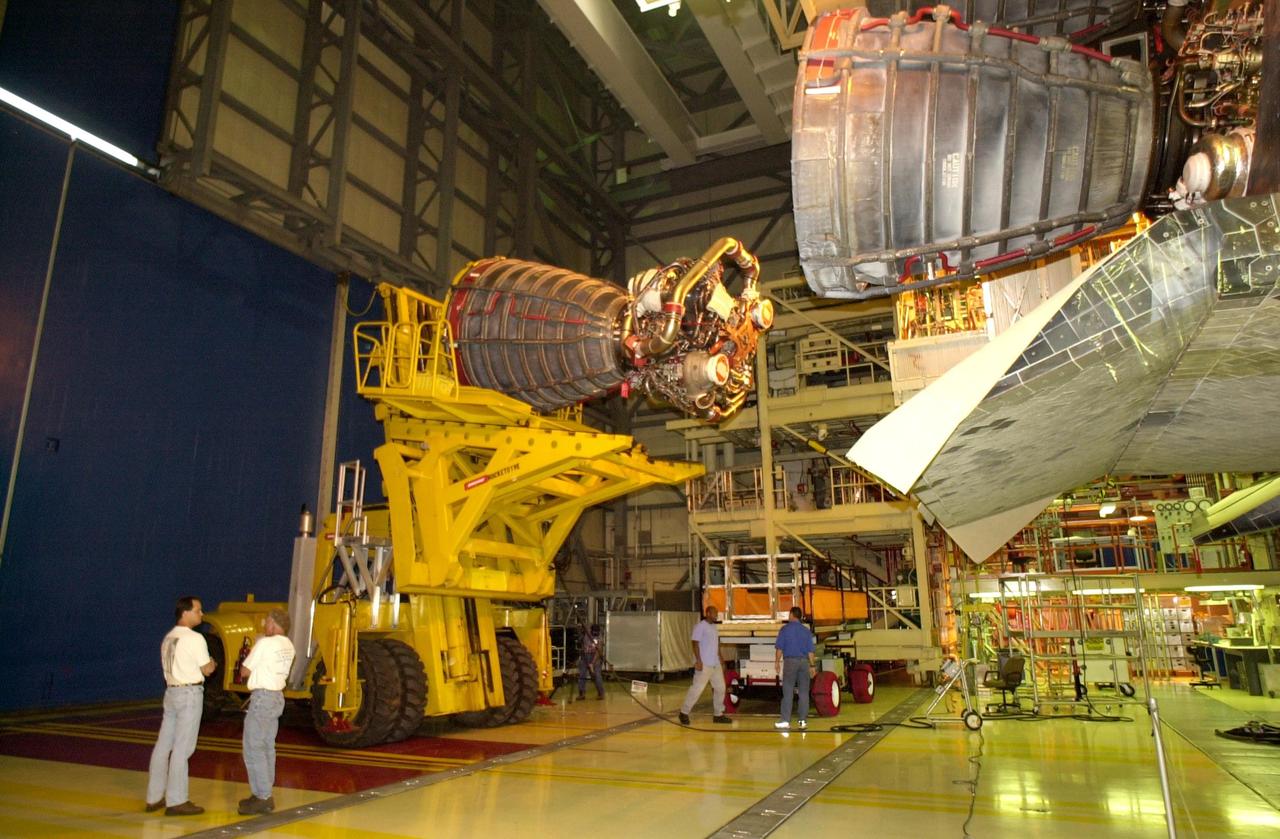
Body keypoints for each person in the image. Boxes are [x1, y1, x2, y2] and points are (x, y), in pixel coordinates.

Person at [146, 595, 217, 816]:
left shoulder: (169, 638)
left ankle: (154, 796)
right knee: (183, 748)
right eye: (198, 610)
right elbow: (207, 669)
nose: (202, 614)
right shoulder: (194, 639)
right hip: (189, 694)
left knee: (163, 745)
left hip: (171, 693)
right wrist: (213, 662)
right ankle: (177, 800)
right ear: (185, 612)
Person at [237, 608, 296, 815]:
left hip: (262, 698)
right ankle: (263, 791)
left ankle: (262, 796)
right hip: (277, 697)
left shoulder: (265, 643)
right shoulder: (288, 645)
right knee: (267, 746)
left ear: (272, 623)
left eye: (266, 622)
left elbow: (245, 670)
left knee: (253, 747)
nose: (264, 626)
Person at [678, 605, 732, 725]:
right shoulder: (700, 626)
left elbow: (716, 644)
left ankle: (718, 714)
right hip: (704, 664)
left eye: (716, 613)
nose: (716, 615)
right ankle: (683, 712)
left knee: (720, 688)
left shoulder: (714, 627)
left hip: (715, 664)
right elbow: (695, 644)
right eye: (714, 613)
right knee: (697, 689)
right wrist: (698, 661)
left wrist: (721, 658)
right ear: (708, 613)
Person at [774, 606, 816, 730]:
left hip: (790, 662)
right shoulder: (806, 631)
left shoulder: (785, 630)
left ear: (792, 615)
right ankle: (802, 721)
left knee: (788, 691)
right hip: (804, 662)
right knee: (803, 693)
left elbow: (779, 648)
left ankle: (785, 720)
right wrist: (812, 665)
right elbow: (810, 651)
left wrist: (777, 662)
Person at [577, 624, 605, 700]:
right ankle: (581, 693)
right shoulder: (586, 632)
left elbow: (599, 651)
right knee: (582, 675)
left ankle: (601, 693)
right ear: (591, 630)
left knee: (597, 675)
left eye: (597, 633)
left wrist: (592, 663)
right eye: (594, 632)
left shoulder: (600, 637)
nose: (595, 634)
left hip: (595, 656)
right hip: (585, 655)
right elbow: (583, 626)